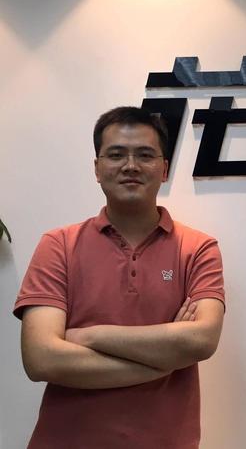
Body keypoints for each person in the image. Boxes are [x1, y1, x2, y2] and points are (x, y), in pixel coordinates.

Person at [13, 107, 225, 448]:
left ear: (164, 169)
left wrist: (89, 336)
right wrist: (164, 362)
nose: (130, 165)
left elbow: (201, 340)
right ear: (97, 169)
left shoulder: (198, 248)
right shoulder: (58, 245)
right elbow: (41, 359)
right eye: (116, 155)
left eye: (145, 155)